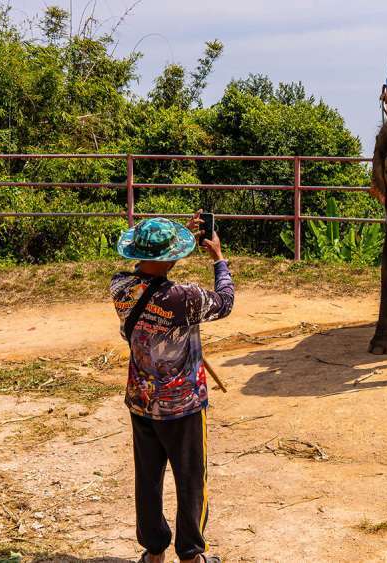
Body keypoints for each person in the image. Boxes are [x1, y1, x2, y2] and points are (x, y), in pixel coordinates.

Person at [111, 213, 234, 563]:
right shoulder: (184, 298)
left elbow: (149, 276)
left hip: (141, 399)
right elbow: (225, 301)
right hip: (182, 406)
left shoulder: (119, 286)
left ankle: (153, 550)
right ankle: (191, 554)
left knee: (148, 478)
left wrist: (168, 234)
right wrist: (219, 259)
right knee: (191, 480)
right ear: (173, 257)